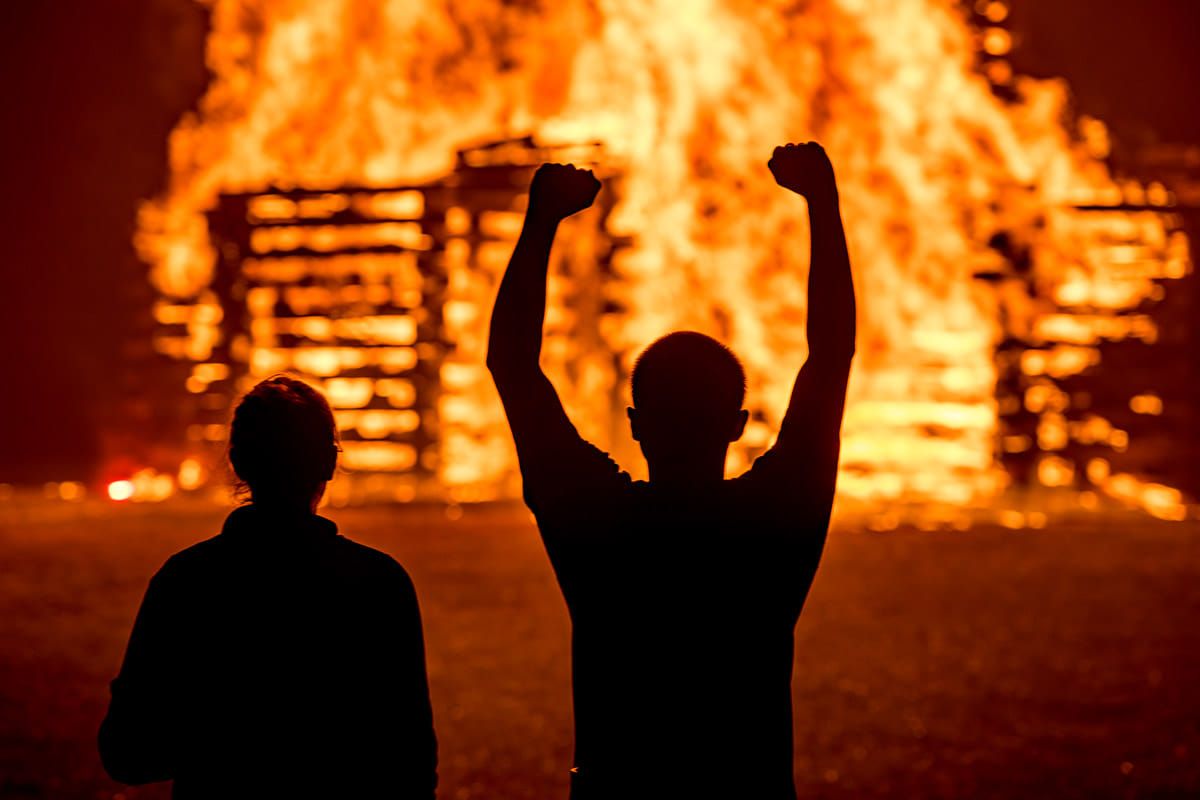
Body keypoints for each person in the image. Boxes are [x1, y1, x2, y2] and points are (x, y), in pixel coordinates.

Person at [487, 142, 855, 798]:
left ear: (635, 424)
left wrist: (542, 220)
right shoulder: (778, 520)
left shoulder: (595, 523)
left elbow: (512, 364)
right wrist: (822, 204)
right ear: (739, 425)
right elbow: (831, 356)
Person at [98, 376, 437, 798]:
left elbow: (127, 752)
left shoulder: (187, 581)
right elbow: (412, 761)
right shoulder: (379, 584)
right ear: (329, 464)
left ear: (238, 462)